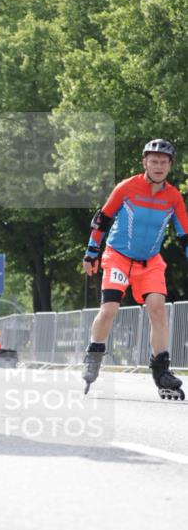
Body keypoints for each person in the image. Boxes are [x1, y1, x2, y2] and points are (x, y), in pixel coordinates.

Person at [81, 139, 188, 399]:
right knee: (109, 310)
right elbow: (102, 219)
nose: (158, 166)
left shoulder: (173, 196)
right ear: (145, 163)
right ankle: (94, 354)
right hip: (118, 257)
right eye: (154, 161)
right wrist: (91, 252)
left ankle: (161, 370)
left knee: (158, 309)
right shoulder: (127, 187)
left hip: (150, 262)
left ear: (170, 165)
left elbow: (185, 234)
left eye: (164, 162)